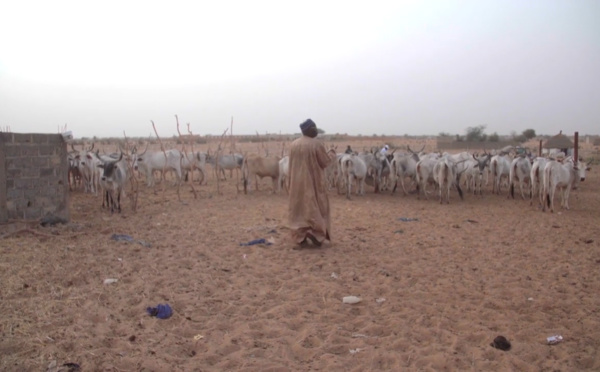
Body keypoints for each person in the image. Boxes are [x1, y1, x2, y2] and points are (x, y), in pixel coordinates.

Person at [288, 119, 333, 247]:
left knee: (299, 209)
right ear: (310, 130)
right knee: (314, 208)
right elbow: (325, 162)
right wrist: (332, 155)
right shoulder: (316, 144)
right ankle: (316, 234)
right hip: (312, 183)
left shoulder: (293, 145)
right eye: (314, 128)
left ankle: (300, 237)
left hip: (296, 184)